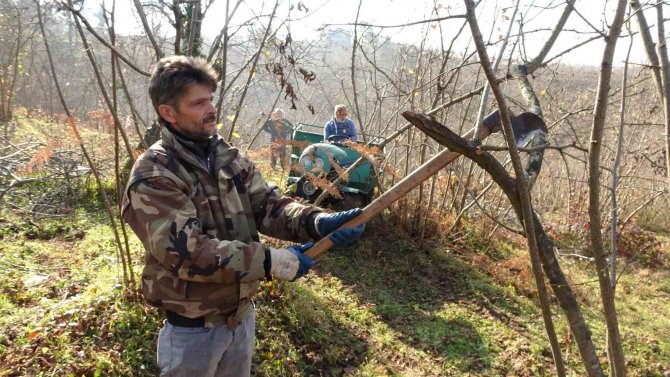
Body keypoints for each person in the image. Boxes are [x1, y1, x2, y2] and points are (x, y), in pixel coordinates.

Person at [121, 56, 365, 377]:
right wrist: (269, 262)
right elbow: (187, 252)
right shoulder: (155, 173)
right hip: (193, 332)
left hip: (242, 319)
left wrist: (315, 222)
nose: (211, 109)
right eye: (198, 103)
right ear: (168, 113)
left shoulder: (228, 157)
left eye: (210, 98)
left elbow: (268, 206)